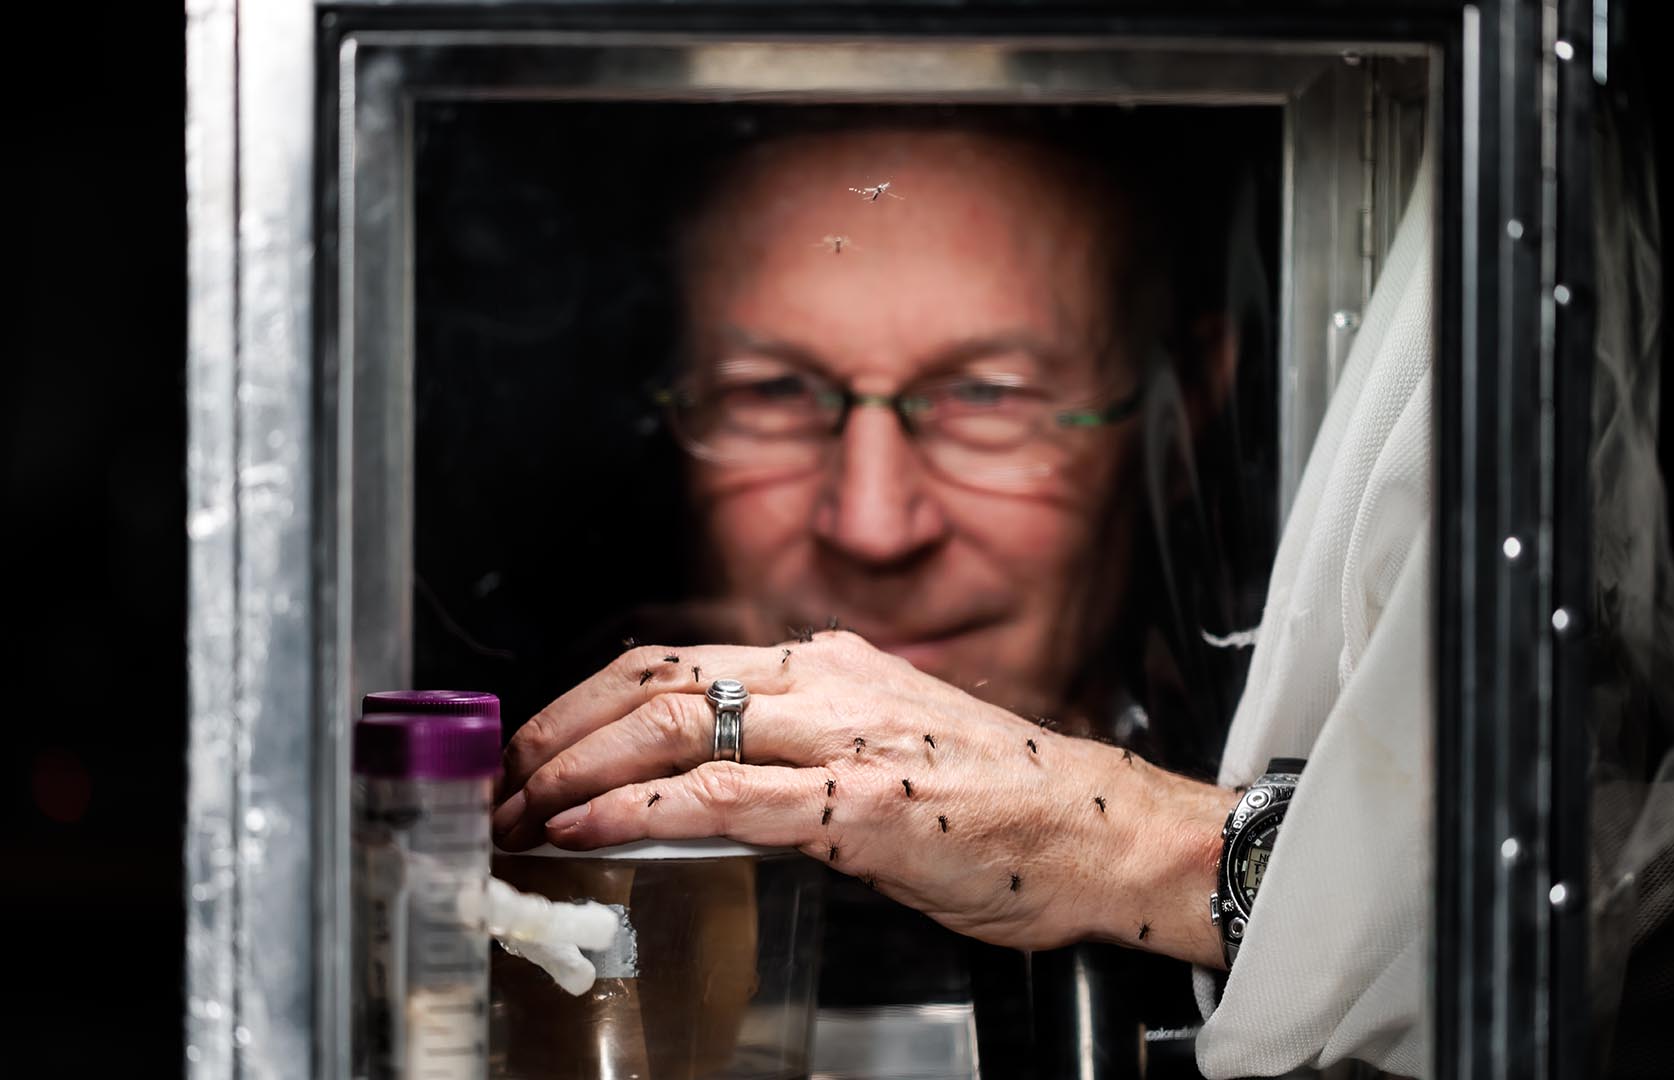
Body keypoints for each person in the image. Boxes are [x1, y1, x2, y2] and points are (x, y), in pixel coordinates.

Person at [489, 121, 1435, 1076]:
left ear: (1183, 402)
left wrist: (1137, 841)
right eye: (773, 391)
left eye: (987, 396)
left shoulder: (1385, 694)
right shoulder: (533, 812)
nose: (872, 526)